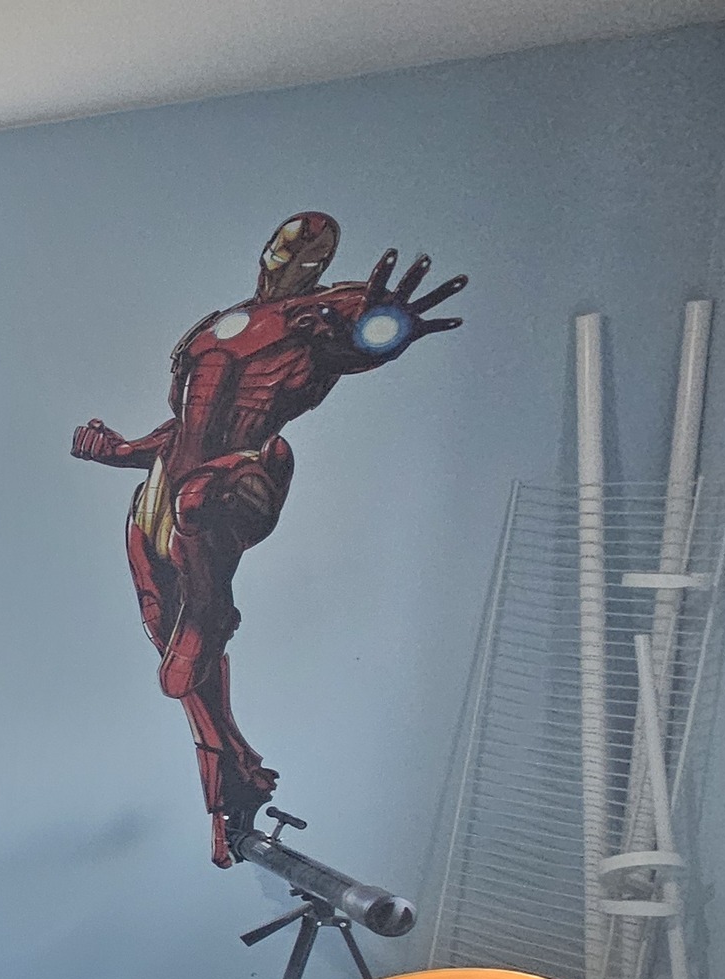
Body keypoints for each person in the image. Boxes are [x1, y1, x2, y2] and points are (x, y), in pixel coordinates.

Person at [69, 213, 465, 866]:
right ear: (269, 246)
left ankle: (210, 612)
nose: (298, 247)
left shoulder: (323, 315)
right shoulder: (213, 328)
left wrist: (383, 331)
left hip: (242, 481)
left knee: (201, 515)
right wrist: (117, 450)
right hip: (164, 498)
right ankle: (232, 797)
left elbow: (358, 336)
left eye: (315, 242)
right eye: (291, 235)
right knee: (186, 672)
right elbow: (183, 429)